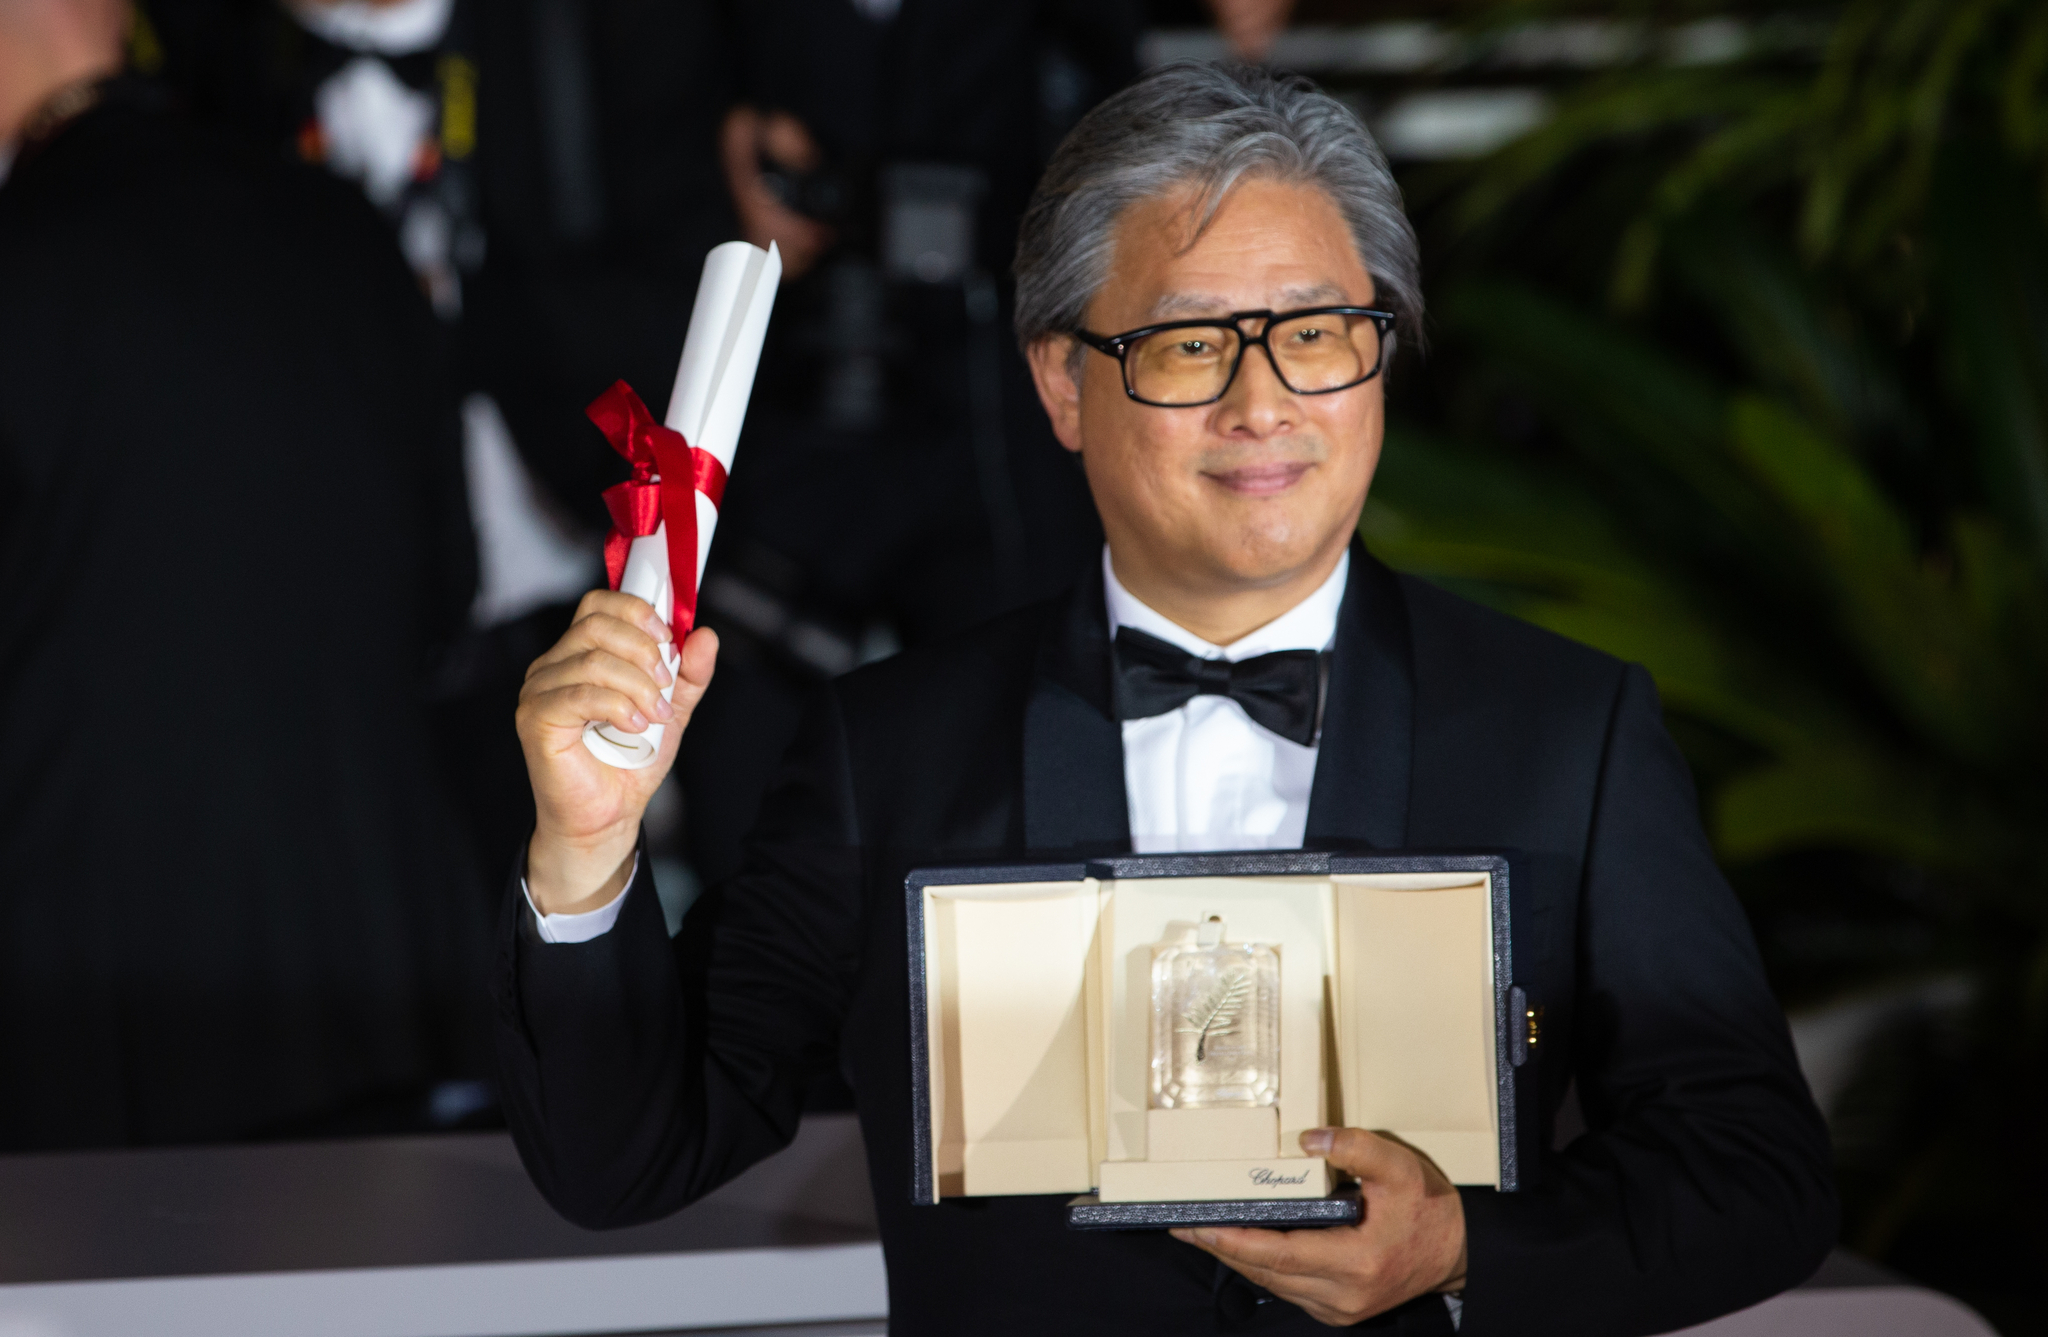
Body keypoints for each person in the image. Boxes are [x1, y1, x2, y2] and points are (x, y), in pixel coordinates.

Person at [499, 63, 1837, 1334]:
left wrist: (1466, 1252)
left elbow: (1756, 1176)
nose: (1265, 403)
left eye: (1318, 334)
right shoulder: (888, 751)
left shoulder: (1569, 731)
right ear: (1062, 382)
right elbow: (626, 1158)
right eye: (1193, 344)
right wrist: (585, 853)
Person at [0, 0, 486, 1147]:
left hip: (89, 1011)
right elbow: (446, 589)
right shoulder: (340, 227)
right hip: (376, 962)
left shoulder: (19, 262)